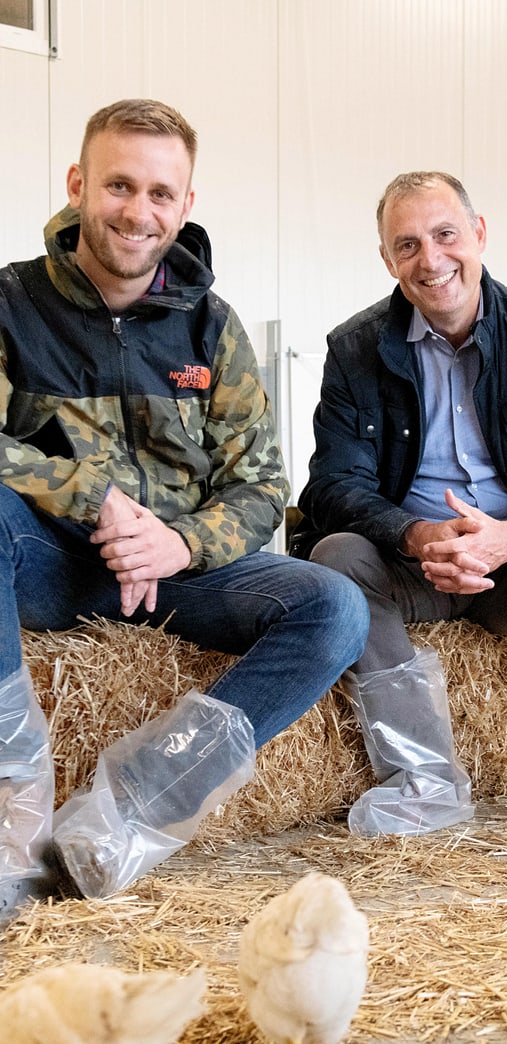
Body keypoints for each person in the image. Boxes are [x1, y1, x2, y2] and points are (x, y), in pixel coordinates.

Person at [0, 99, 369, 920]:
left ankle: (123, 816)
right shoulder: (12, 304)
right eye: (119, 185)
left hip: (177, 577)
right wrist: (97, 497)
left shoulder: (211, 326)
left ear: (186, 205)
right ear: (78, 184)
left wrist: (178, 540)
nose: (138, 211)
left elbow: (262, 484)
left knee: (335, 608)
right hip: (48, 561)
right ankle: (13, 825)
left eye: (161, 193)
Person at [292, 170, 507, 845]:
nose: (431, 260)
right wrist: (416, 534)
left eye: (446, 234)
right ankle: (424, 778)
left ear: (479, 235)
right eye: (407, 245)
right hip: (415, 569)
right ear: (387, 260)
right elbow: (333, 485)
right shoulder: (355, 349)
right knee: (334, 555)